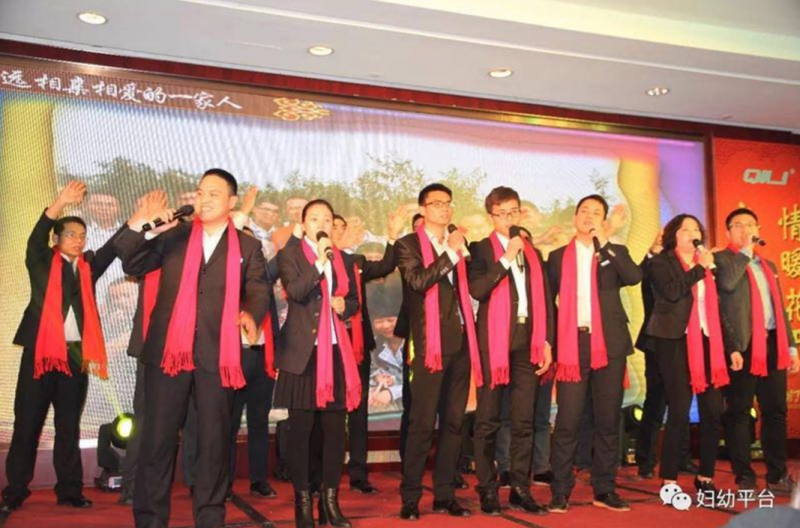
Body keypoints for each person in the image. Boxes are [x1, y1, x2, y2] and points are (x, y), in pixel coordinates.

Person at [117, 169, 270, 528]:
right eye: (200, 192)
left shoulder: (248, 246)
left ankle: (210, 517)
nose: (204, 199)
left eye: (214, 193)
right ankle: (150, 520)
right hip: (168, 353)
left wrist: (251, 314)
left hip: (217, 355)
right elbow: (132, 263)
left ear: (232, 201)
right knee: (157, 441)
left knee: (214, 443)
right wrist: (147, 229)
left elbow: (258, 288)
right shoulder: (175, 235)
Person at [1, 181, 124, 512]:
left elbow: (112, 247)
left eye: (82, 236)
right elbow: (35, 237)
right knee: (27, 423)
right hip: (40, 356)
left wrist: (136, 220)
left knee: (68, 426)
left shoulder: (87, 267)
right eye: (70, 235)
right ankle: (15, 489)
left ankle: (69, 489)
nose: (78, 240)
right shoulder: (41, 261)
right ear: (56, 239)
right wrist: (60, 203)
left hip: (74, 357)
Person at [546, 194, 642, 514]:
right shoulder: (557, 257)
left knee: (607, 420)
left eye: (596, 212)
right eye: (584, 211)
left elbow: (633, 277)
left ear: (603, 220)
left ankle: (605, 488)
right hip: (572, 345)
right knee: (568, 420)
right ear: (575, 218)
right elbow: (547, 304)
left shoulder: (614, 252)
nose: (589, 216)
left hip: (609, 346)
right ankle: (560, 490)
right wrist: (548, 342)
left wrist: (607, 244)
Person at [273, 199, 361, 528]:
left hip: (336, 353)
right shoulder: (290, 255)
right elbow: (296, 292)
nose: (322, 224)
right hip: (303, 355)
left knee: (335, 433)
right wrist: (320, 263)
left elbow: (354, 301)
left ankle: (330, 501)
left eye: (326, 219)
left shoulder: (345, 259)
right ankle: (303, 502)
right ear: (303, 224)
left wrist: (344, 306)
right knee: (301, 432)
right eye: (315, 219)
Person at [468, 187, 553, 516]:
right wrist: (506, 257)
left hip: (528, 340)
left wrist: (547, 341)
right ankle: (488, 488)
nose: (509, 218)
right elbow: (478, 289)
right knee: (488, 421)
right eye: (502, 213)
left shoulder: (532, 252)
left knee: (523, 421)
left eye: (514, 212)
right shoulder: (480, 249)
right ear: (491, 216)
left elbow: (544, 299)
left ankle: (520, 488)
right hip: (495, 342)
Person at [396, 183, 479, 520]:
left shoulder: (459, 242)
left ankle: (445, 495)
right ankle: (410, 497)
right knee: (421, 424)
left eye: (448, 203)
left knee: (454, 424)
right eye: (436, 203)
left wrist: (458, 251)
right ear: (423, 208)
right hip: (430, 345)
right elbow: (419, 281)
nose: (444, 208)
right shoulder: (407, 245)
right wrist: (451, 254)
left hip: (461, 343)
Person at [715, 208, 800, 494]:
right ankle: (744, 474)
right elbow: (727, 285)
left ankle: (776, 475)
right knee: (739, 412)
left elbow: (780, 309)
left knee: (775, 411)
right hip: (743, 346)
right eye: (738, 225)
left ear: (758, 228)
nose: (745, 229)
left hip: (773, 343)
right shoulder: (722, 260)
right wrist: (744, 253)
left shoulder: (768, 265)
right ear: (728, 232)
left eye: (750, 224)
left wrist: (791, 346)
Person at [644, 214, 728, 493]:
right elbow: (672, 292)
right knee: (679, 408)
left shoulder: (708, 265)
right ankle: (669, 478)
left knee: (712, 411)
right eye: (685, 229)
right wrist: (699, 268)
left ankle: (705, 476)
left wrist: (732, 348)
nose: (692, 234)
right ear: (673, 235)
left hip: (707, 340)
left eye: (696, 229)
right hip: (674, 340)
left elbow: (717, 308)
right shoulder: (661, 262)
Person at [330, 208, 407, 493]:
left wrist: (392, 234)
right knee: (328, 412)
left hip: (356, 345)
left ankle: (358, 474)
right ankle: (323, 473)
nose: (337, 230)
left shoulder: (356, 262)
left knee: (358, 410)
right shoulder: (311, 263)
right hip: (325, 346)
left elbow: (386, 265)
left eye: (341, 226)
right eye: (332, 225)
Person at [635, 231, 696, 479]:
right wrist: (652, 251)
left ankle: (682, 457)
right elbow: (644, 277)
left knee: (681, 402)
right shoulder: (657, 265)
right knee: (657, 399)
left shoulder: (686, 264)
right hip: (657, 342)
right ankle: (646, 460)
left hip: (685, 340)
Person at [227, 225, 280, 500]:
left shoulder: (263, 286)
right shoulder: (225, 284)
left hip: (262, 358)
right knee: (228, 423)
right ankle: (223, 482)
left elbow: (274, 324)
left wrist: (277, 356)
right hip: (234, 358)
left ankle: (259, 480)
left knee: (259, 421)